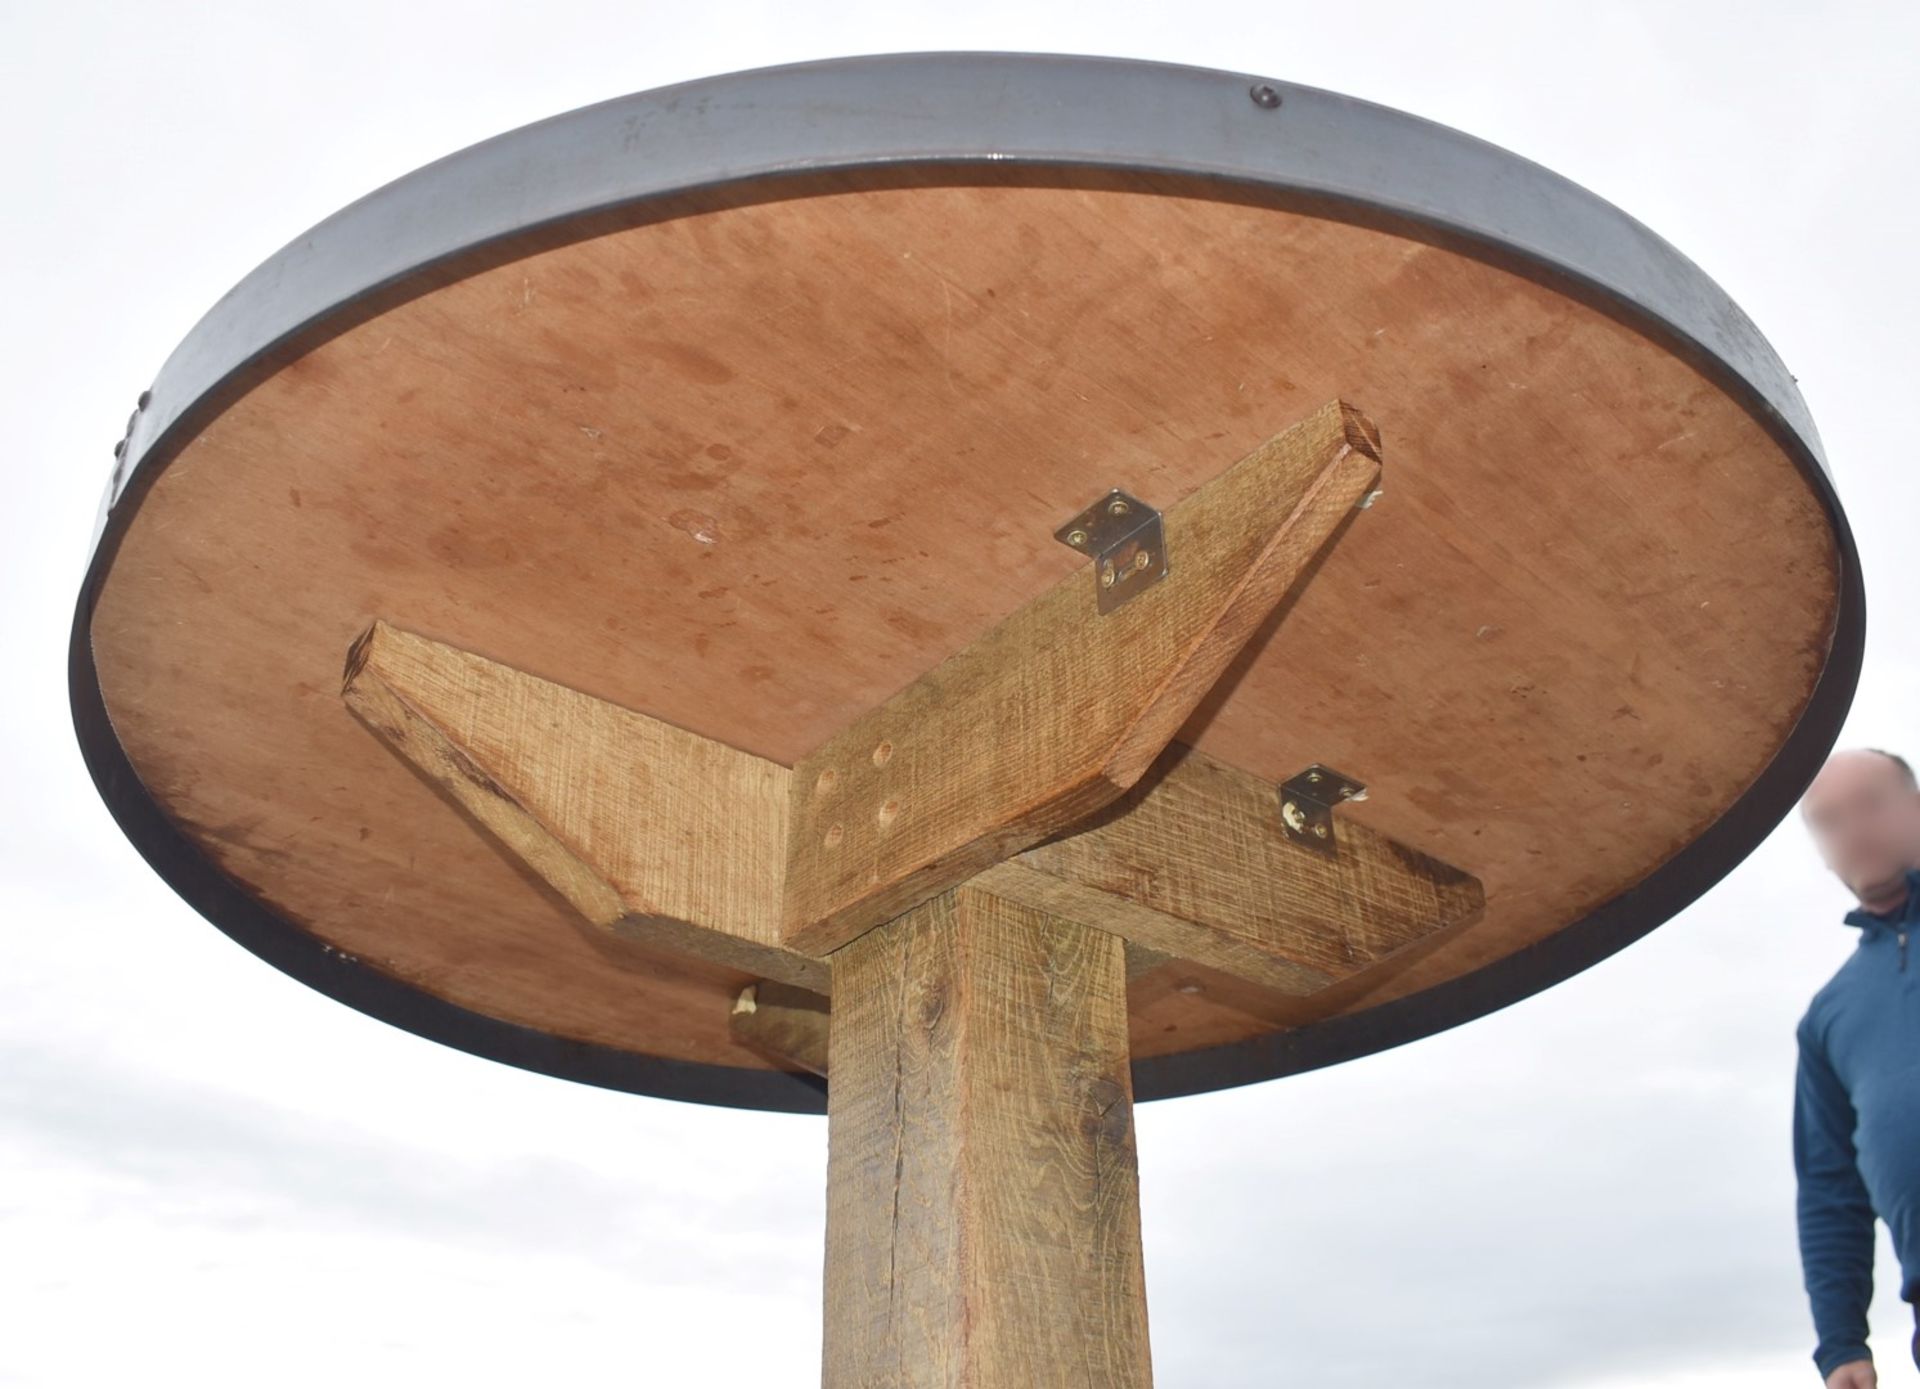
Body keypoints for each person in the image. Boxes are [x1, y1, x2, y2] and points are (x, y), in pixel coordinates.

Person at [1795, 747, 1920, 1386]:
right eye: (1829, 820)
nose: (1854, 830)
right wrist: (1842, 1340)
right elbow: (1830, 1188)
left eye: (1871, 804)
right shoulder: (1829, 1016)